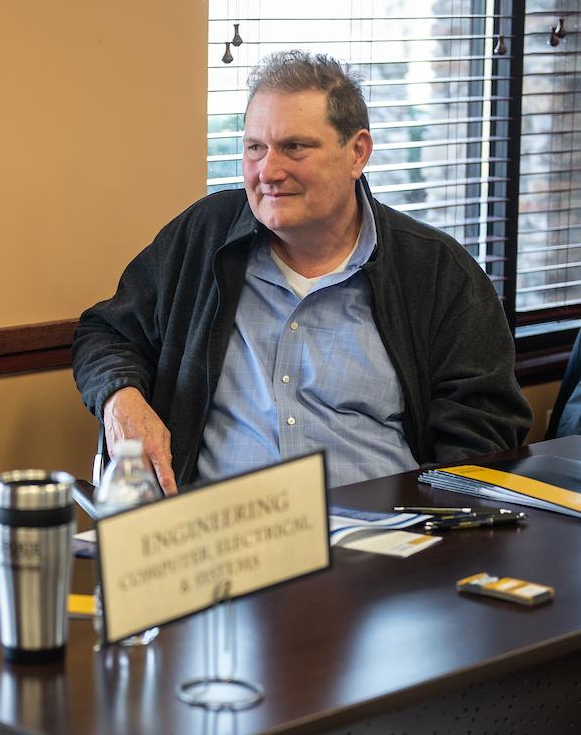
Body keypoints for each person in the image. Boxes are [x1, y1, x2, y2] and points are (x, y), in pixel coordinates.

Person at [73, 50, 532, 495]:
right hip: (221, 545)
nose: (268, 171)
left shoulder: (435, 270)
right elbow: (105, 332)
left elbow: (484, 429)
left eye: (294, 148)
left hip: (381, 545)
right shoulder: (204, 236)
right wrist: (122, 401)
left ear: (357, 152)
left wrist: (432, 530)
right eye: (255, 148)